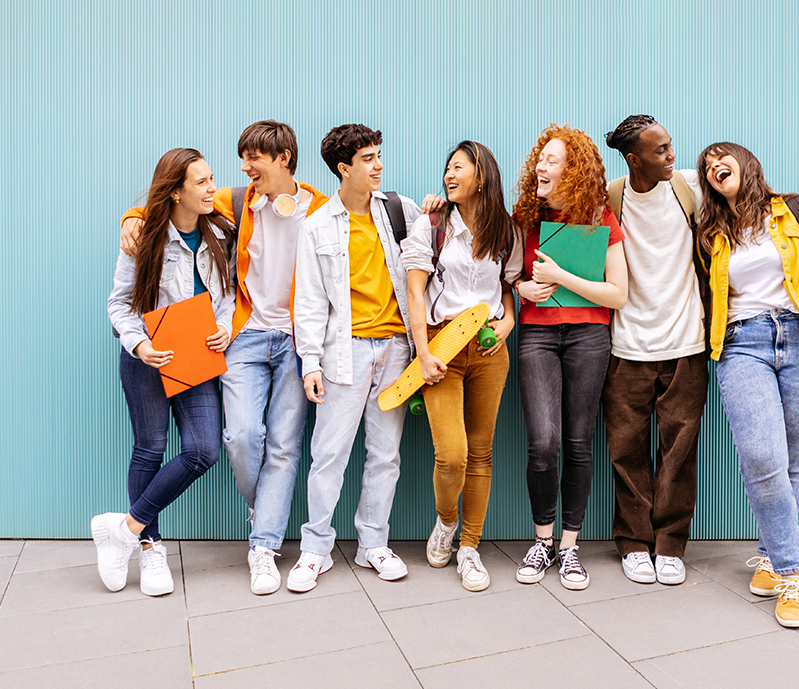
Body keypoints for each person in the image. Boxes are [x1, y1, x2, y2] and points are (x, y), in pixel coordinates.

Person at [120, 121, 329, 595]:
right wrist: (130, 217)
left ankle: (263, 545)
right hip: (245, 337)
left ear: (284, 159)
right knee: (238, 437)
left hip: (297, 341)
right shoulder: (235, 202)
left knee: (284, 445)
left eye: (253, 157)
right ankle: (263, 508)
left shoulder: (319, 208)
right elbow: (167, 204)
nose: (244, 168)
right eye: (242, 159)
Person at [695, 141, 799, 628]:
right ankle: (792, 572)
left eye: (722, 156)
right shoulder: (711, 234)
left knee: (791, 455)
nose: (712, 165)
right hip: (744, 343)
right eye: (706, 166)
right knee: (763, 457)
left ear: (748, 163)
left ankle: (768, 554)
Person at [96, 147, 235, 596]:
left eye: (212, 178)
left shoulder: (223, 231)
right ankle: (151, 547)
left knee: (203, 451)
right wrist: (140, 345)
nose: (212, 188)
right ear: (176, 192)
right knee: (149, 449)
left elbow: (232, 294)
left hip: (197, 359)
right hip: (147, 360)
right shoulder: (145, 237)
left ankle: (125, 529)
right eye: (201, 182)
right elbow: (120, 304)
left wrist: (226, 329)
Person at [287, 124, 419, 592]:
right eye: (368, 158)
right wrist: (310, 364)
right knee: (329, 455)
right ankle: (315, 549)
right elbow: (307, 302)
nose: (378, 164)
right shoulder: (318, 225)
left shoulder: (400, 211)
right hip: (343, 353)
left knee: (385, 455)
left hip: (396, 350)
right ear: (344, 169)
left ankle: (372, 545)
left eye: (379, 155)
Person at [510, 125, 628, 590]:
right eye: (540, 157)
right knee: (542, 442)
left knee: (579, 443)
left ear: (573, 170)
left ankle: (569, 547)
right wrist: (521, 287)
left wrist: (561, 276)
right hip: (538, 335)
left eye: (552, 160)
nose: (541, 165)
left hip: (589, 337)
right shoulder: (524, 217)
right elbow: (502, 278)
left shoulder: (601, 219)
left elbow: (616, 294)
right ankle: (542, 540)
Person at [401, 141, 521, 592]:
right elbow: (415, 292)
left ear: (482, 175)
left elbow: (508, 287)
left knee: (482, 452)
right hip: (441, 347)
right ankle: (447, 523)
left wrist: (509, 321)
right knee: (452, 454)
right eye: (447, 168)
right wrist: (422, 351)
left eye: (459, 168)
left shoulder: (506, 230)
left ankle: (469, 547)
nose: (449, 176)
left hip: (490, 348)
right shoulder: (431, 224)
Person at [600, 115, 708, 586]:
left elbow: (756, 201)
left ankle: (669, 545)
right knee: (626, 453)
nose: (671, 156)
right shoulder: (612, 197)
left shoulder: (689, 189)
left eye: (670, 146)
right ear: (633, 158)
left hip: (686, 344)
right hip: (626, 347)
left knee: (678, 453)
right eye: (661, 150)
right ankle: (632, 544)